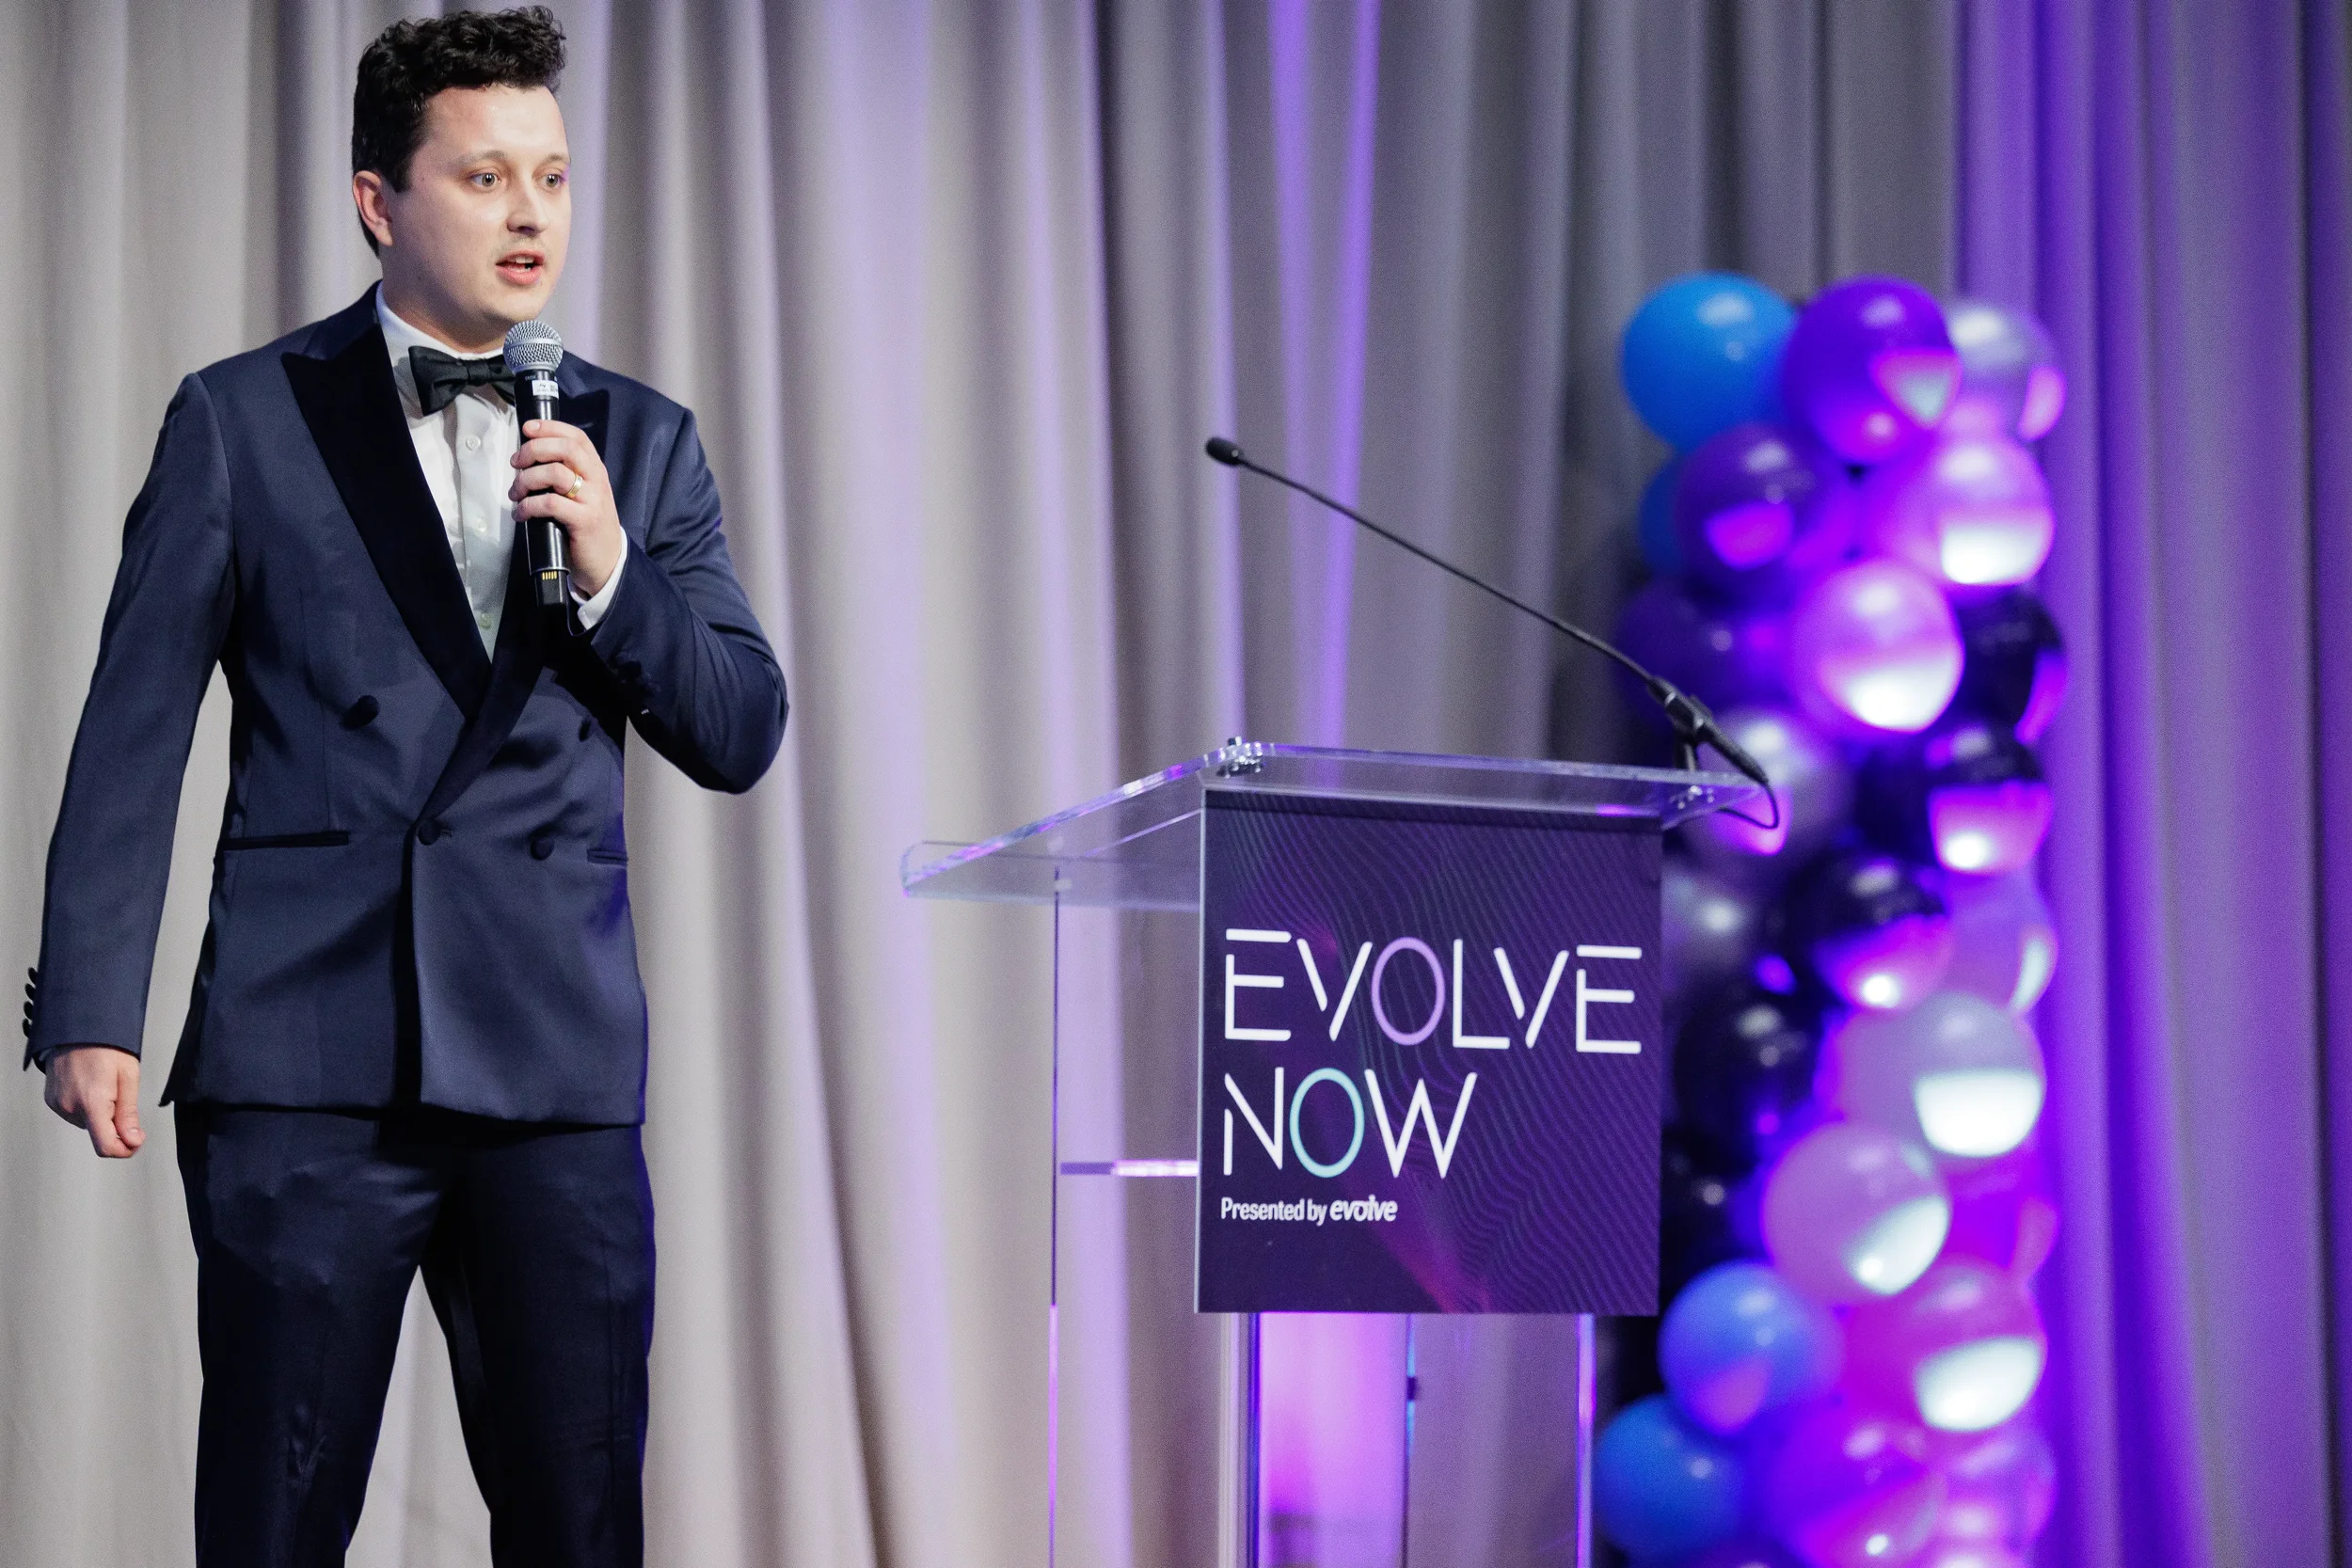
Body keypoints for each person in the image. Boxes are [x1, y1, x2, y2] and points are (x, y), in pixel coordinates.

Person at [24, 9, 787, 1564]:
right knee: (274, 1512)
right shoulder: (242, 418)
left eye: (553, 178)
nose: (529, 216)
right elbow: (133, 724)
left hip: (552, 1071)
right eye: (486, 176)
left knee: (578, 1521)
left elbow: (741, 726)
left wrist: (617, 572)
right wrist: (93, 1001)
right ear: (381, 201)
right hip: (307, 1055)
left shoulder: (639, 445)